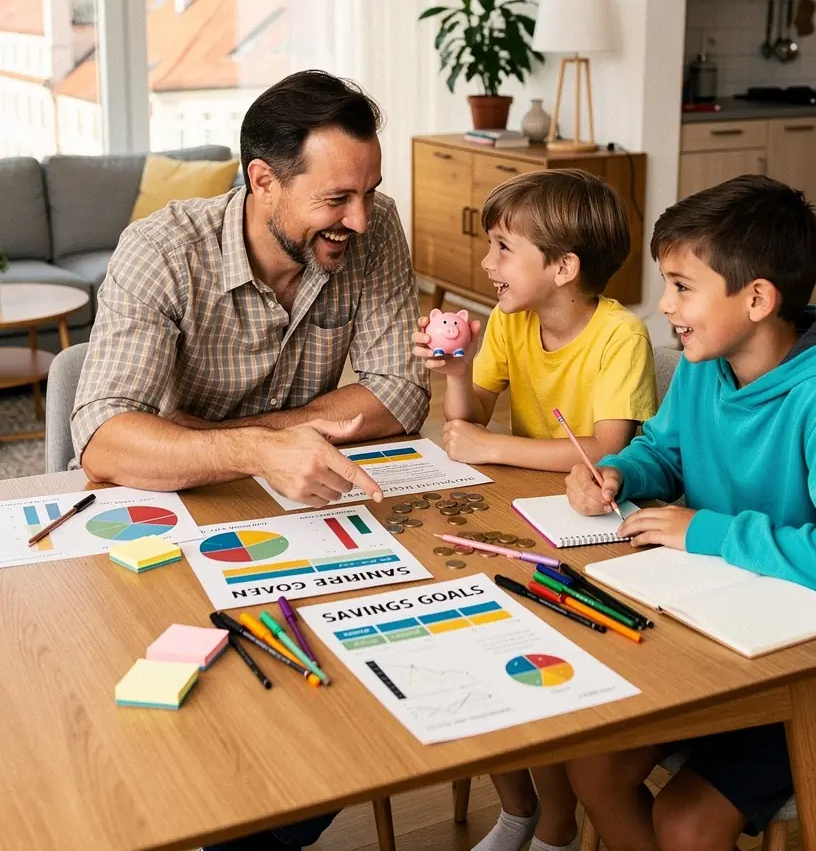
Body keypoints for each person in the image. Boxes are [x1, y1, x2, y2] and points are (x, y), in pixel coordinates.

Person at [565, 174, 816, 851]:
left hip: (796, 670)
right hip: (706, 637)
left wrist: (703, 532)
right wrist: (621, 474)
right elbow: (664, 450)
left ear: (757, 298)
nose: (664, 306)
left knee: (685, 823)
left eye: (681, 286)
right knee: (590, 765)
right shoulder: (706, 362)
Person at [413, 168, 657, 851]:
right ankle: (521, 811)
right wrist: (457, 372)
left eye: (502, 248)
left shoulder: (619, 336)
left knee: (530, 659)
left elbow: (606, 448)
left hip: (597, 537)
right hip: (524, 515)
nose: (486, 264)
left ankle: (551, 824)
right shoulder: (511, 323)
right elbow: (468, 427)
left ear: (562, 267)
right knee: (476, 636)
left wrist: (490, 444)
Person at [73, 70, 429, 509]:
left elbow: (401, 392)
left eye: (368, 193)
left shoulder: (375, 228)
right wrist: (256, 451)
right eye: (337, 199)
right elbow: (102, 442)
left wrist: (220, 435)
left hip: (298, 491)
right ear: (263, 182)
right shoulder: (161, 251)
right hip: (177, 493)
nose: (360, 220)